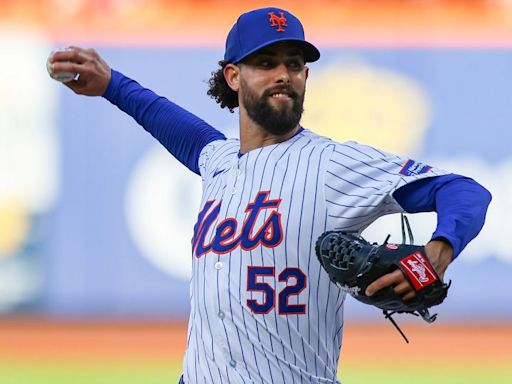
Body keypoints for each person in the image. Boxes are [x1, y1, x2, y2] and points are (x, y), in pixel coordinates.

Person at [48, 7, 491, 384]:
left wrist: (440, 248)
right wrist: (111, 84)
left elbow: (464, 191)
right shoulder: (217, 161)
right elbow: (172, 123)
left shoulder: (333, 165)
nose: (283, 75)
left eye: (294, 63)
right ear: (233, 76)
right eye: (266, 62)